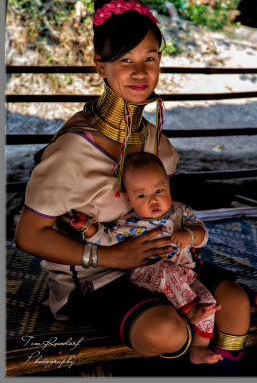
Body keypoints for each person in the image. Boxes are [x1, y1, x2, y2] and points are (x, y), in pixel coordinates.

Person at [15, 0, 253, 375]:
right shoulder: (71, 154)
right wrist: (109, 256)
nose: (140, 73)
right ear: (100, 66)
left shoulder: (156, 141)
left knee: (237, 303)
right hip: (97, 276)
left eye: (150, 58)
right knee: (166, 332)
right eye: (125, 59)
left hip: (168, 263)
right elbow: (28, 236)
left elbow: (165, 214)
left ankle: (221, 369)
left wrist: (187, 240)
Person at [69, 151, 223, 364]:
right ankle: (189, 311)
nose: (154, 200)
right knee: (168, 271)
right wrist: (88, 227)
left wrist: (189, 234)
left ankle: (198, 347)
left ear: (169, 185)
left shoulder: (181, 212)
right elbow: (106, 239)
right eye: (141, 195)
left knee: (209, 302)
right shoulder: (129, 223)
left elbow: (203, 234)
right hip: (147, 272)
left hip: (184, 273)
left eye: (159, 190)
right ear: (127, 197)